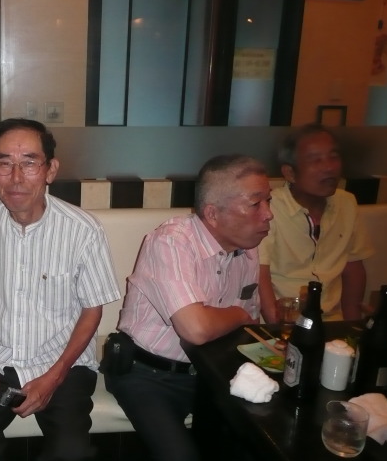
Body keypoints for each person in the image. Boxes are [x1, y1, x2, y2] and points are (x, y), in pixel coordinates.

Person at [0, 118, 121, 461]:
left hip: (63, 362)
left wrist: (54, 378)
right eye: (5, 164)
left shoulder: (83, 229)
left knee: (71, 452)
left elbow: (92, 310)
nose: (16, 177)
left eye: (29, 163)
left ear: (50, 170)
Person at [104, 154, 273, 461]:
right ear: (212, 213)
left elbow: (246, 327)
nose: (268, 214)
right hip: (148, 374)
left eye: (268, 201)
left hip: (212, 373)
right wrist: (239, 315)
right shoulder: (171, 242)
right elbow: (196, 329)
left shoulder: (248, 248)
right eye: (255, 204)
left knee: (257, 446)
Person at [258, 124, 374, 322]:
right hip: (284, 320)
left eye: (333, 157)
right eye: (315, 160)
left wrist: (353, 327)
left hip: (331, 321)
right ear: (290, 173)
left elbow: (353, 267)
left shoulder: (346, 203)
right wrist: (276, 327)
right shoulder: (269, 208)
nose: (329, 167)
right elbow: (260, 274)